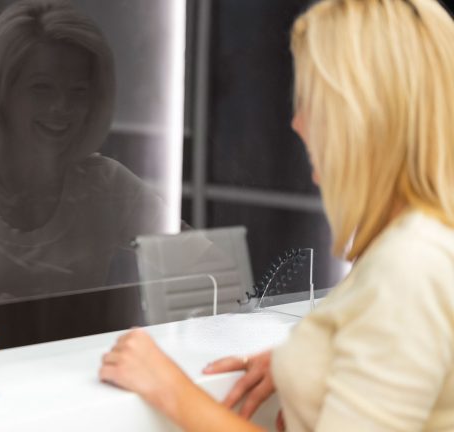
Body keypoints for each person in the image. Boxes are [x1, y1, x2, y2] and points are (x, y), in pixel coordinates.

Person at [99, 0, 454, 430]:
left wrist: (168, 387)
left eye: (313, 100)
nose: (297, 123)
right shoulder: (419, 242)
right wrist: (310, 366)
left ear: (364, 116)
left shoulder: (408, 265)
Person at [0, 0, 166, 304]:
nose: (62, 107)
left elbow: (208, 268)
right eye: (42, 88)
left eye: (78, 92)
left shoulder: (107, 184)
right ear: (1, 93)